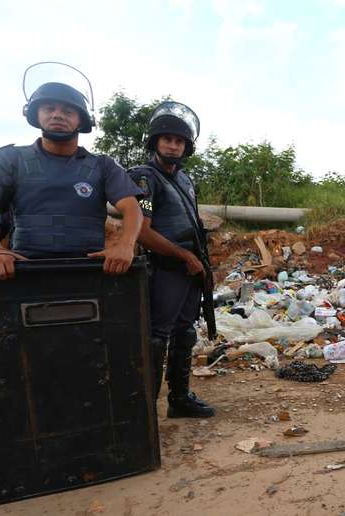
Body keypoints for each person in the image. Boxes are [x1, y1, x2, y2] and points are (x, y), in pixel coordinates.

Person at [0, 80, 143, 279]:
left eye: (68, 111)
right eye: (49, 108)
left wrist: (125, 246)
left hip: (89, 270)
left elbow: (133, 207)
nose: (57, 115)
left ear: (81, 120)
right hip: (25, 269)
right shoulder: (9, 159)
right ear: (35, 114)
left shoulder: (104, 165)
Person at [128, 101, 215, 418]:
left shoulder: (185, 180)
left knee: (185, 333)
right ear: (155, 142)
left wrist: (198, 261)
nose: (173, 145)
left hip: (189, 268)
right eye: (167, 139)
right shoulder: (143, 179)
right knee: (156, 337)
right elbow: (141, 231)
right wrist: (182, 256)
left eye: (179, 141)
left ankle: (179, 399)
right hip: (163, 268)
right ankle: (144, 411)